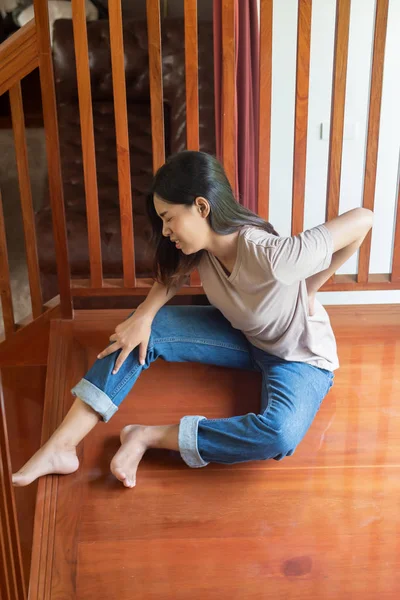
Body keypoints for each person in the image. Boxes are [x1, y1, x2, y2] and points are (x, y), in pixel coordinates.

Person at [12, 151, 373, 488]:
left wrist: (311, 287)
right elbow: (168, 280)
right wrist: (143, 316)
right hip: (244, 338)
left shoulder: (273, 256)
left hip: (298, 355)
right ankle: (62, 445)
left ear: (201, 207)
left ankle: (147, 436)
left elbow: (364, 219)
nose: (166, 231)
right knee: (140, 332)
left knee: (280, 434)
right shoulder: (199, 251)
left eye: (169, 218)